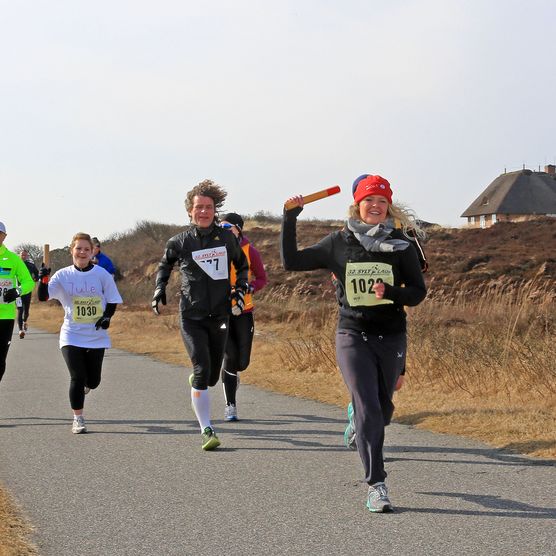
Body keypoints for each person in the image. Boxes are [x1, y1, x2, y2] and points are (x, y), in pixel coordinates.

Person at [281, 174, 427, 513]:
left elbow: (418, 293)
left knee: (383, 409)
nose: (375, 206)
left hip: (390, 335)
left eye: (381, 201)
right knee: (369, 409)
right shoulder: (338, 243)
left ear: (388, 207)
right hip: (352, 335)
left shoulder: (402, 244)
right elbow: (292, 262)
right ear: (357, 205)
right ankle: (376, 484)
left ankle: (356, 422)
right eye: (369, 201)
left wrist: (390, 293)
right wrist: (289, 219)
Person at [152, 180, 249, 451]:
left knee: (211, 378)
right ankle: (207, 429)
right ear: (190, 211)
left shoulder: (227, 238)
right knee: (201, 369)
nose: (203, 212)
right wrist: (159, 289)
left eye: (208, 207)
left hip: (220, 316)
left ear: (215, 210)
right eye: (199, 207)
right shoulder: (180, 241)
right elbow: (165, 265)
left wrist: (240, 288)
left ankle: (200, 381)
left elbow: (242, 267)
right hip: (191, 316)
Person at [37, 232, 122, 434]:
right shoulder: (62, 275)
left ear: (92, 252)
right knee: (77, 376)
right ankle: (78, 418)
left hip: (96, 334)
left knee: (93, 380)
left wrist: (107, 317)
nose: (82, 252)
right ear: (71, 251)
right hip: (71, 334)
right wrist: (43, 279)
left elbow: (112, 299)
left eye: (86, 249)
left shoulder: (101, 274)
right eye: (78, 248)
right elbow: (43, 297)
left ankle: (86, 386)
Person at [219, 213, 268, 421]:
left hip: (244, 311)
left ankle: (232, 375)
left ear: (238, 229)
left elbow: (262, 278)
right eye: (220, 226)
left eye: (228, 226)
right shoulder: (215, 251)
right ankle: (230, 405)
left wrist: (250, 287)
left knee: (242, 362)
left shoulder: (250, 251)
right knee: (229, 358)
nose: (224, 230)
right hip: (220, 312)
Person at [0, 222, 35, 384]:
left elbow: (29, 282)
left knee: (0, 361)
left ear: (4, 236)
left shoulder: (13, 259)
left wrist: (17, 291)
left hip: (5, 317)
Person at [16, 250, 39, 339]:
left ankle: (25, 321)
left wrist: (35, 279)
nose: (23, 256)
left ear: (27, 256)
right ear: (19, 255)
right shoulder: (16, 265)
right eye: (22, 255)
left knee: (26, 310)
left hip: (27, 291)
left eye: (25, 255)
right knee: (20, 310)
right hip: (17, 291)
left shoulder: (31, 265)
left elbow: (37, 276)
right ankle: (20, 330)